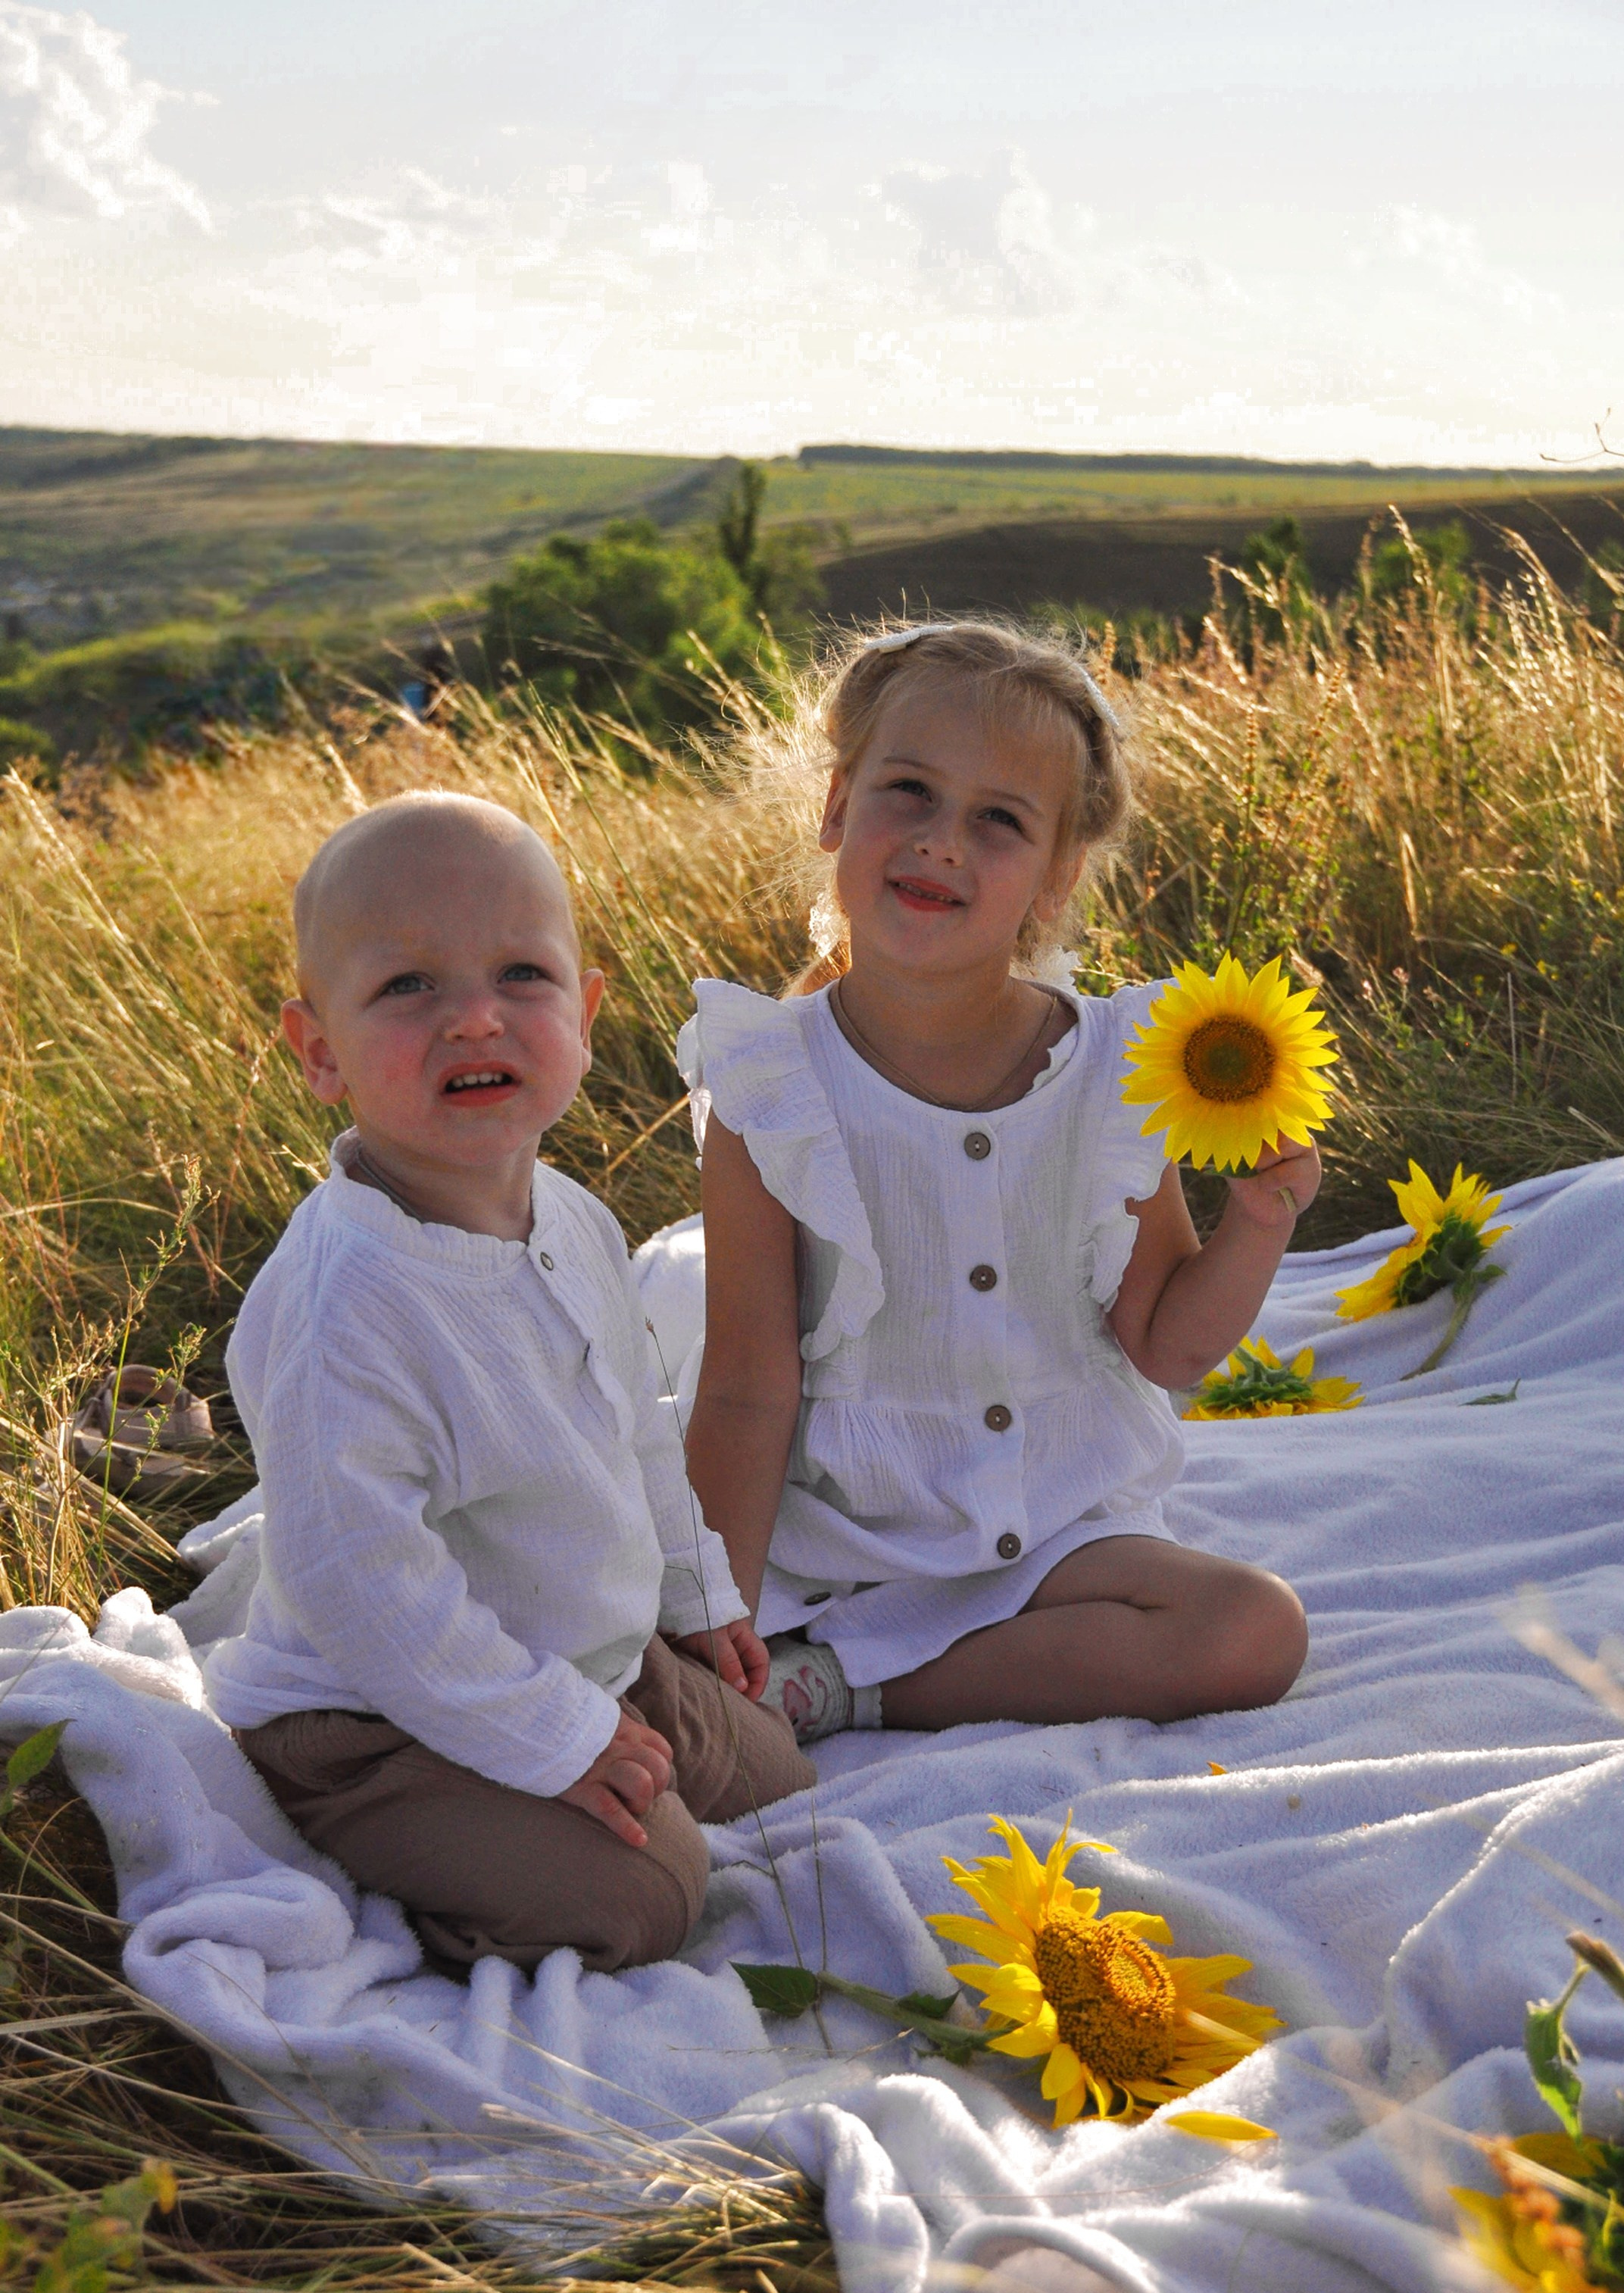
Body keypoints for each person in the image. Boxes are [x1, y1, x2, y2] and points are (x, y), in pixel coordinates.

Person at [208, 792, 813, 1974]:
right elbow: (364, 1587)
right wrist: (551, 1738)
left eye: (522, 975)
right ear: (319, 1049)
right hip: (376, 1715)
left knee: (774, 1773)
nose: (474, 1018)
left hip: (583, 1647)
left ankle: (593, 1739)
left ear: (584, 1015)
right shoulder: (352, 1304)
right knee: (647, 1896)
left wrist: (696, 1592)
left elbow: (631, 1425)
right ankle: (410, 1881)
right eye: (407, 988)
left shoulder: (574, 1221)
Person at [682, 621, 1314, 1746]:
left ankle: (845, 1691)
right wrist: (707, 1619)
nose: (941, 844)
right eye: (908, 793)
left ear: (1056, 872)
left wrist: (1255, 1225)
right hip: (843, 1535)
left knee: (1250, 1630)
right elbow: (743, 1386)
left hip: (1057, 1523)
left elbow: (1164, 1346)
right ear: (836, 809)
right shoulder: (772, 1087)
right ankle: (808, 1652)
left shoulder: (1114, 1068)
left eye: (999, 821)